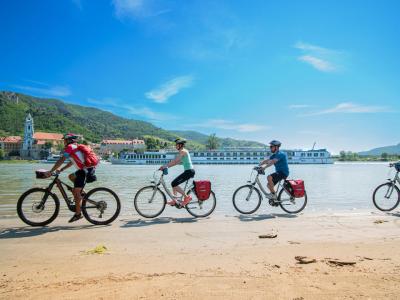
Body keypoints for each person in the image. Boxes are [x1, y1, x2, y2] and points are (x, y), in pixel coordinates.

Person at [46, 133, 98, 222]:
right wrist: (61, 169)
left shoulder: (70, 147)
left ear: (68, 140)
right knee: (71, 176)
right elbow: (72, 162)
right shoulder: (75, 148)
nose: (64, 142)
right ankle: (80, 192)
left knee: (76, 193)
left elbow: (61, 159)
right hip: (85, 169)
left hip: (85, 170)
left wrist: (51, 171)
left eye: (64, 140)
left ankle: (78, 214)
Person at [159, 138, 195, 207]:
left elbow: (175, 161)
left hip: (189, 171)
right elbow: (177, 162)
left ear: (180, 145)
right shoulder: (183, 151)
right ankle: (175, 200)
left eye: (177, 145)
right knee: (174, 183)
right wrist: (167, 167)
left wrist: (165, 166)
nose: (176, 146)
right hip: (188, 171)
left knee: (174, 183)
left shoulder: (183, 151)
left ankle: (187, 197)